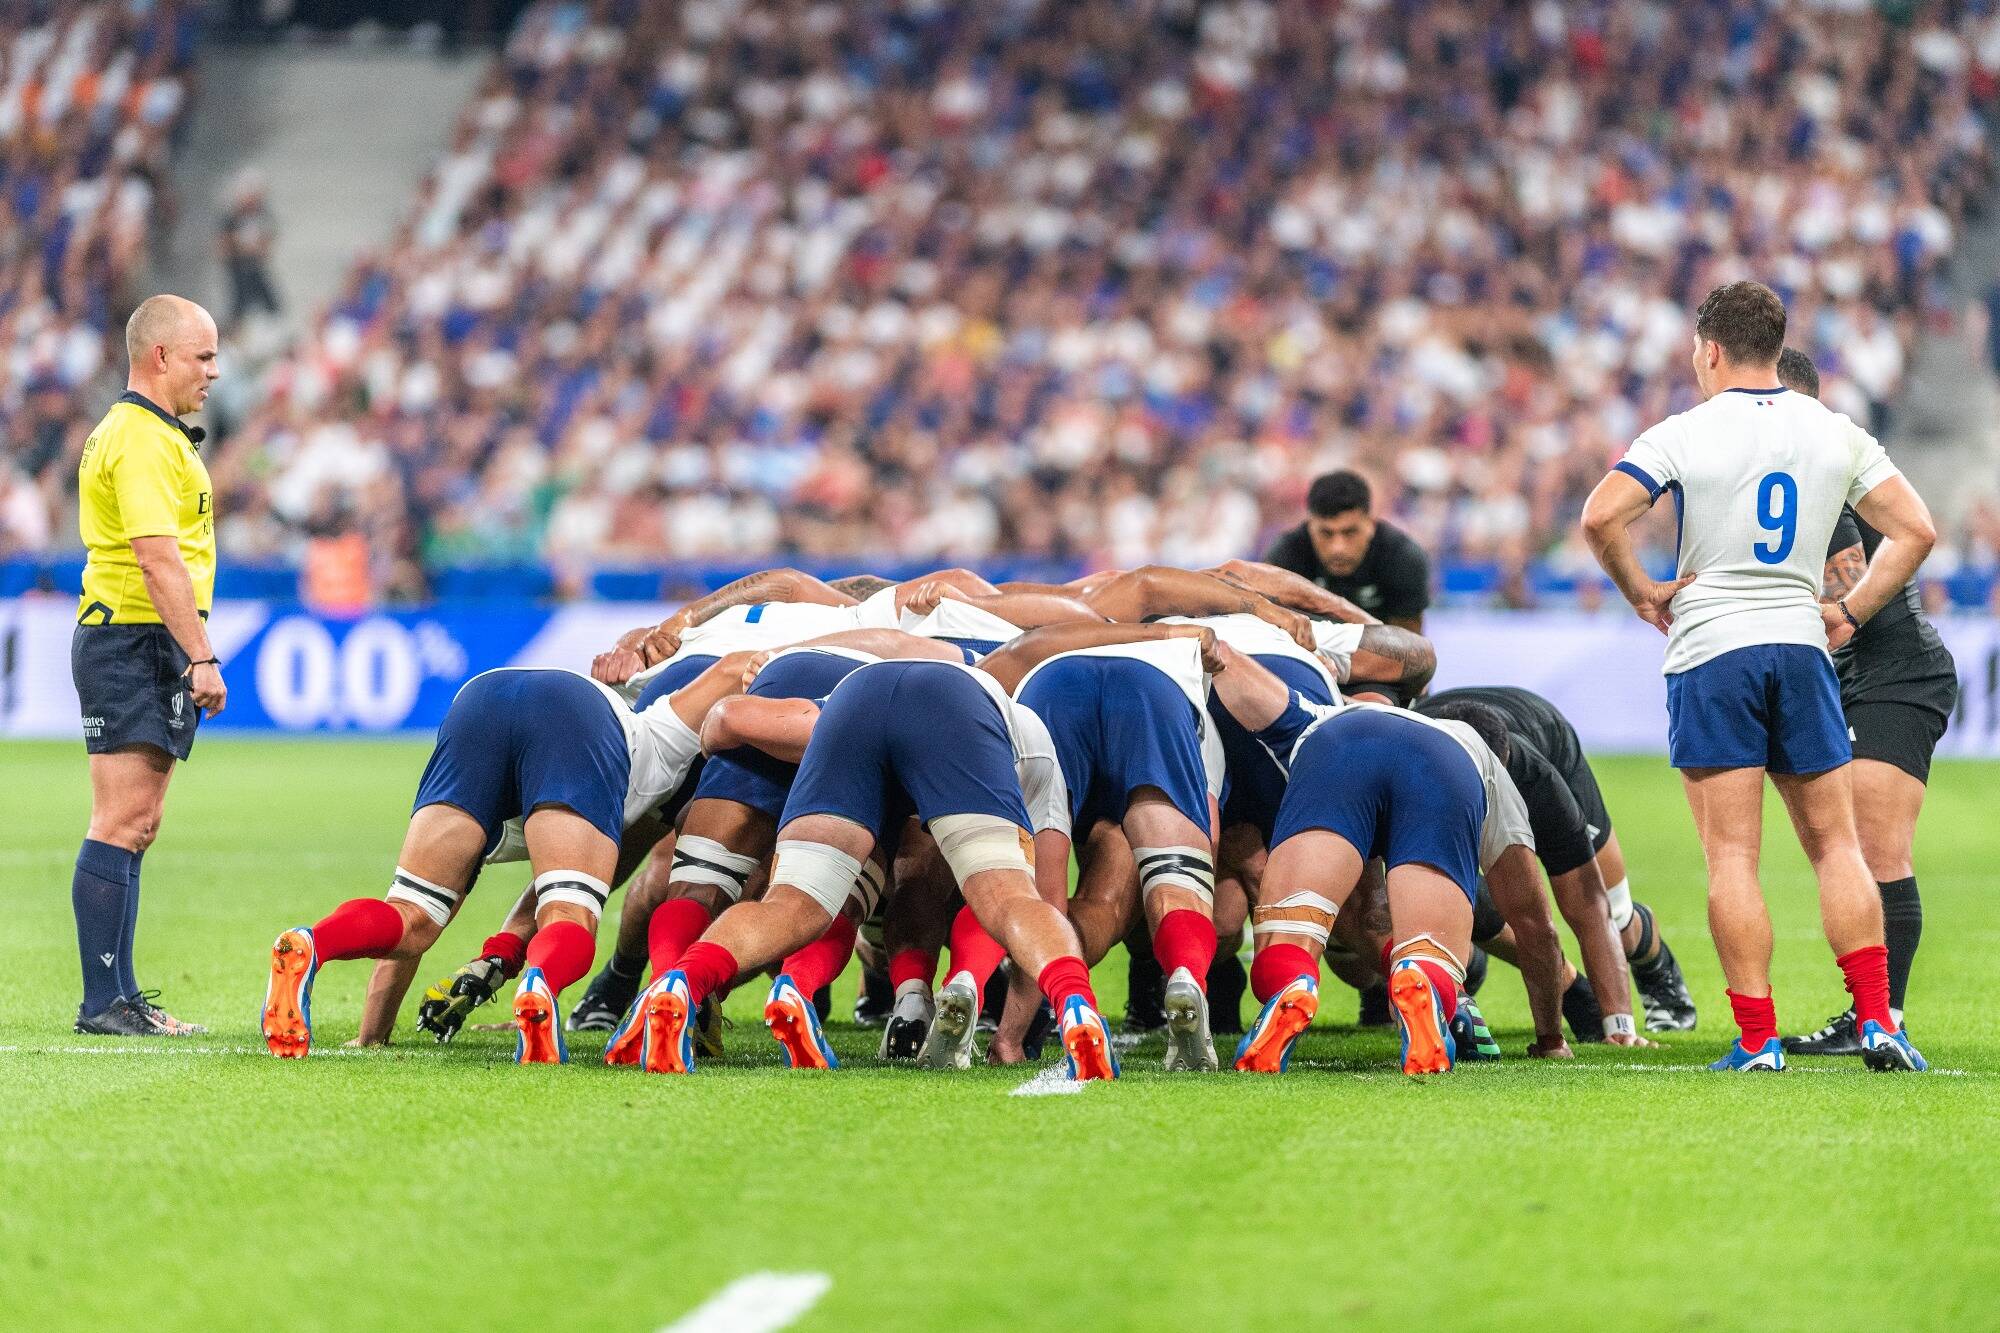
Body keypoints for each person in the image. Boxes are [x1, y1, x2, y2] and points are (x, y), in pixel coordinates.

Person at [1580, 280, 1936, 1073]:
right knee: (1837, 845)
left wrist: (1642, 591)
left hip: (1714, 649)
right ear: (1776, 348)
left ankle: (1757, 1039)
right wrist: (1850, 610)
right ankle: (1878, 1020)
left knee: (1733, 858)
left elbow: (1601, 514)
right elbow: (1916, 528)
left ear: (1709, 350)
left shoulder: (1683, 431)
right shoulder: (1834, 429)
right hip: (1802, 644)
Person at [258, 656, 752, 1061]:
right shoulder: (663, 742)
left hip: (481, 698)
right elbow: (733, 670)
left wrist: (373, 1036)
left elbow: (423, 938)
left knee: (411, 913)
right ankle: (540, 986)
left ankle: (311, 943)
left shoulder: (654, 736)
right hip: (575, 714)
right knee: (570, 915)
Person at [1773, 348, 1958, 1056]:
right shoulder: (1832, 461)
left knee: (1878, 850)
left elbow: (1838, 593)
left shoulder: (1818, 465)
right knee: (1848, 848)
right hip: (1869, 673)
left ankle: (1885, 1018)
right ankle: (1871, 1013)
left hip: (1897, 672)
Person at [68, 295, 224, 1037]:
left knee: (140, 821)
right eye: (203, 356)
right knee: (122, 817)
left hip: (141, 637)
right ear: (159, 356)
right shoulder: (135, 437)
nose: (213, 371)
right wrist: (202, 656)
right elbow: (156, 556)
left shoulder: (152, 434)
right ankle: (104, 1002)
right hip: (130, 636)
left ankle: (122, 995)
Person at [1418, 685, 1697, 1032]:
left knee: (1614, 915)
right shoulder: (1409, 766)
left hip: (1546, 733)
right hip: (1441, 757)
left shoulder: (1537, 779)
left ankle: (1653, 961)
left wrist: (1619, 1026)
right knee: (1454, 897)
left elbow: (1587, 907)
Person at [1260, 470, 1431, 630]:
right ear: (1310, 526)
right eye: (1326, 533)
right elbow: (1268, 632)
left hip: (1381, 657)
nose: (1338, 548)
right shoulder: (1284, 558)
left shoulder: (1403, 559)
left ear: (1370, 524)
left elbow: (1409, 650)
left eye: (1350, 532)